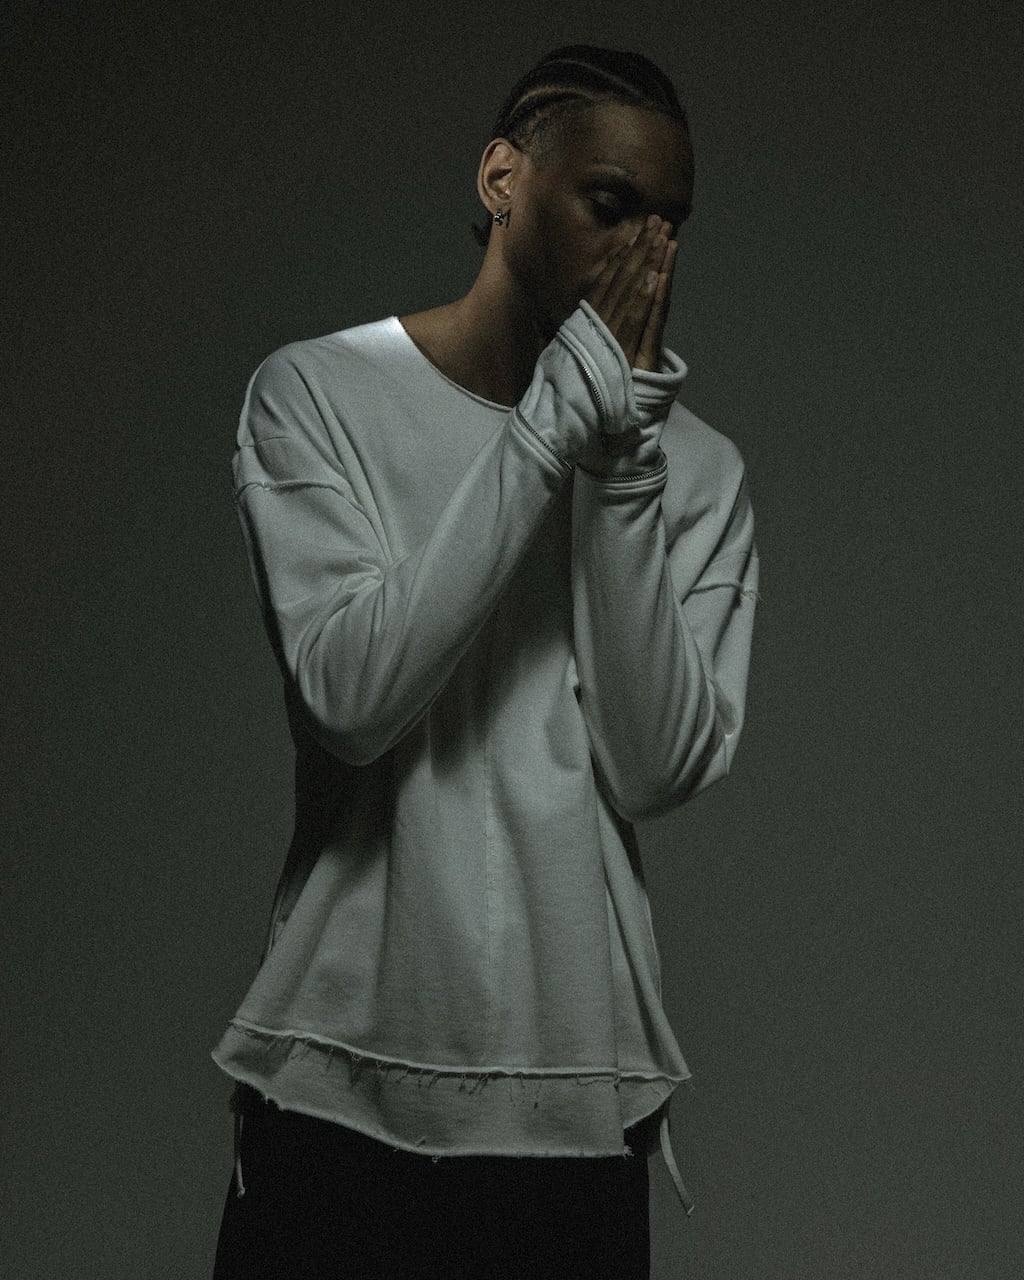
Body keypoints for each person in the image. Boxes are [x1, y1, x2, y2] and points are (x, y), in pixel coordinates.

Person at [211, 44, 758, 1280]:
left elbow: (654, 765)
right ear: (503, 178)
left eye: (669, 223)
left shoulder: (695, 470)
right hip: (340, 1080)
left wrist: (617, 461)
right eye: (610, 203)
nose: (644, 253)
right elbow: (352, 697)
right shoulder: (319, 392)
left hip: (577, 1098)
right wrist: (551, 422)